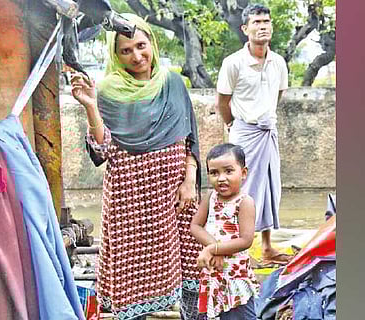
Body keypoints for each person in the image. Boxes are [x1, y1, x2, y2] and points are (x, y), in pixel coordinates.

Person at [70, 13, 203, 320]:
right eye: (125, 51)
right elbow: (102, 151)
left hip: (173, 192)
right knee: (132, 278)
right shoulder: (107, 93)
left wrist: (189, 181)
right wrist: (91, 107)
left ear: (152, 44)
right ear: (115, 55)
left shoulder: (172, 83)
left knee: (189, 265)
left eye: (141, 46)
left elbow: (190, 137)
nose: (136, 56)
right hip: (129, 199)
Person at [215, 4, 292, 265]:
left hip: (268, 132)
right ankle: (241, 251)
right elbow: (223, 103)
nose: (263, 26)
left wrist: (264, 118)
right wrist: (235, 127)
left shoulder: (278, 62)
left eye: (266, 21)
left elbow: (277, 95)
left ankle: (268, 247)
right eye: (257, 22)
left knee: (270, 188)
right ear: (245, 28)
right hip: (243, 134)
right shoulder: (233, 63)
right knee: (241, 190)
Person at [190, 143, 259, 320]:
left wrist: (213, 249)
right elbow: (195, 226)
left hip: (235, 275)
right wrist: (215, 248)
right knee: (210, 314)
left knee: (240, 314)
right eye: (214, 173)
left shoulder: (245, 202)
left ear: (243, 173)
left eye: (228, 171)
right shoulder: (210, 198)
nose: (221, 178)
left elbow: (245, 240)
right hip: (212, 272)